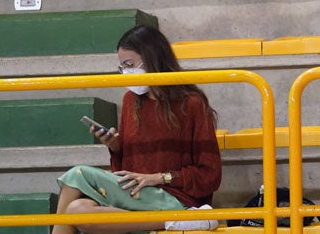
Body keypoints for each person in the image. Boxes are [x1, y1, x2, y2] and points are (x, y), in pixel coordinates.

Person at [52, 25, 222, 234]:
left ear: (153, 59)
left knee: (76, 175)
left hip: (177, 197)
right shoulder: (131, 100)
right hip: (137, 196)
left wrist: (159, 177)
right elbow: (125, 172)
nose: (126, 73)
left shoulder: (192, 103)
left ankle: (183, 215)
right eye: (122, 67)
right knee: (78, 210)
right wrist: (115, 146)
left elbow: (210, 175)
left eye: (130, 64)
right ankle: (173, 221)